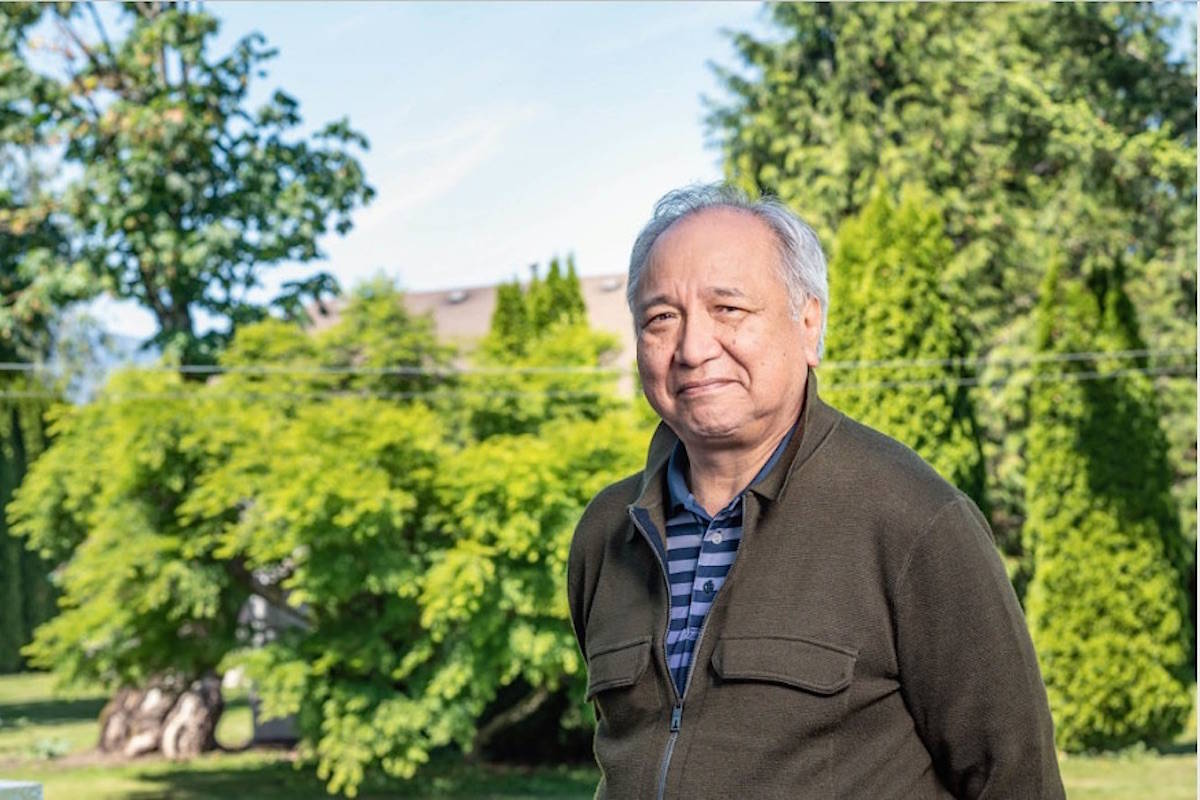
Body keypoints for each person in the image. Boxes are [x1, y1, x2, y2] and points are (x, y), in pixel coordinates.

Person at [566, 184, 1065, 799]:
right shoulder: (606, 532)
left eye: (729, 309)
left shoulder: (913, 519)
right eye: (662, 317)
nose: (693, 349)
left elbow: (1016, 782)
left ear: (808, 323)